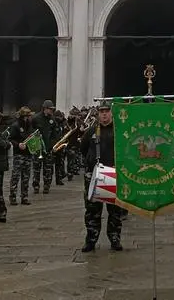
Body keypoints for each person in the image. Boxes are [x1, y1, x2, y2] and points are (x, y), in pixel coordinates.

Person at [79, 101, 125, 252]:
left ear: (112, 113)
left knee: (115, 210)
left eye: (107, 111)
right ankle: (91, 239)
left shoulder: (120, 131)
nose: (104, 114)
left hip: (113, 173)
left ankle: (114, 238)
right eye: (101, 111)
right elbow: (83, 149)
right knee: (92, 210)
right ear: (98, 114)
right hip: (94, 175)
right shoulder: (91, 131)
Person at [8, 107, 34, 205]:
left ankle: (24, 196)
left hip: (28, 154)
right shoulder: (15, 126)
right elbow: (11, 139)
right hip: (19, 154)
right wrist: (18, 144)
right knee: (16, 176)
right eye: (28, 116)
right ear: (24, 116)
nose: (30, 117)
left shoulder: (29, 125)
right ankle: (13, 197)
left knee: (26, 177)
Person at [32, 100, 59, 193]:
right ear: (45, 108)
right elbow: (31, 132)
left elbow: (55, 134)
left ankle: (47, 186)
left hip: (48, 148)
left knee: (48, 169)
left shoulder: (52, 119)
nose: (52, 111)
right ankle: (36, 186)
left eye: (52, 109)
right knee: (36, 169)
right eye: (50, 109)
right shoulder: (35, 118)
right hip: (38, 148)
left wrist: (53, 145)